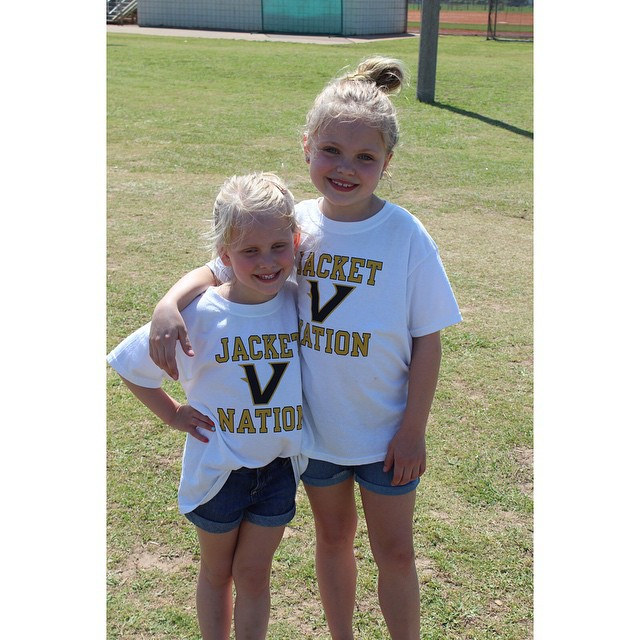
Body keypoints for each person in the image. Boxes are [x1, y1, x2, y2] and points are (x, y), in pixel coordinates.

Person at [148, 57, 462, 640]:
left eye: (365, 157)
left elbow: (428, 338)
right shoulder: (292, 224)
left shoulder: (406, 235)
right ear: (307, 147)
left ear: (387, 163)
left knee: (395, 552)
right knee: (332, 541)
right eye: (332, 152)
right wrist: (170, 302)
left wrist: (414, 428)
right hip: (314, 433)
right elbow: (219, 269)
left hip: (387, 434)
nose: (346, 168)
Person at [107, 172, 308, 640]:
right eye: (249, 252)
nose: (267, 262)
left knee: (256, 576)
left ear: (296, 241)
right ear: (224, 256)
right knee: (218, 574)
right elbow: (129, 366)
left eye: (279, 246)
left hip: (278, 469)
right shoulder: (200, 314)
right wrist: (173, 413)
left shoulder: (300, 299)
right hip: (218, 472)